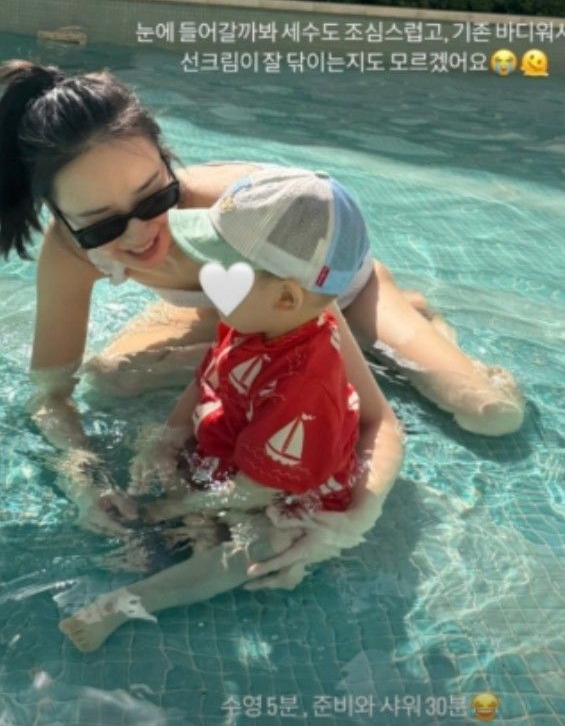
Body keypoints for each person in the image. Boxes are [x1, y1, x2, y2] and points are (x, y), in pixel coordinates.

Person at [0, 60, 522, 579]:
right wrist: (85, 478)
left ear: (167, 158)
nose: (140, 237)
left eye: (156, 197)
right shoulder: (70, 252)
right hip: (234, 303)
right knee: (110, 379)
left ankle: (409, 310)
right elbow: (49, 392)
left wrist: (353, 520)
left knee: (491, 413)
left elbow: (377, 421)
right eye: (102, 226)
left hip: (324, 290)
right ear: (61, 218)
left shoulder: (239, 223)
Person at [58, 166, 384, 651]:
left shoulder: (306, 389)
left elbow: (259, 489)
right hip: (239, 457)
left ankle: (132, 601)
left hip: (281, 493)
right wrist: (166, 439)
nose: (208, 279)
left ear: (287, 296)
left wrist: (174, 506)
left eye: (226, 269)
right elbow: (207, 377)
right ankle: (184, 533)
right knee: (160, 482)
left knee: (258, 547)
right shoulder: (255, 317)